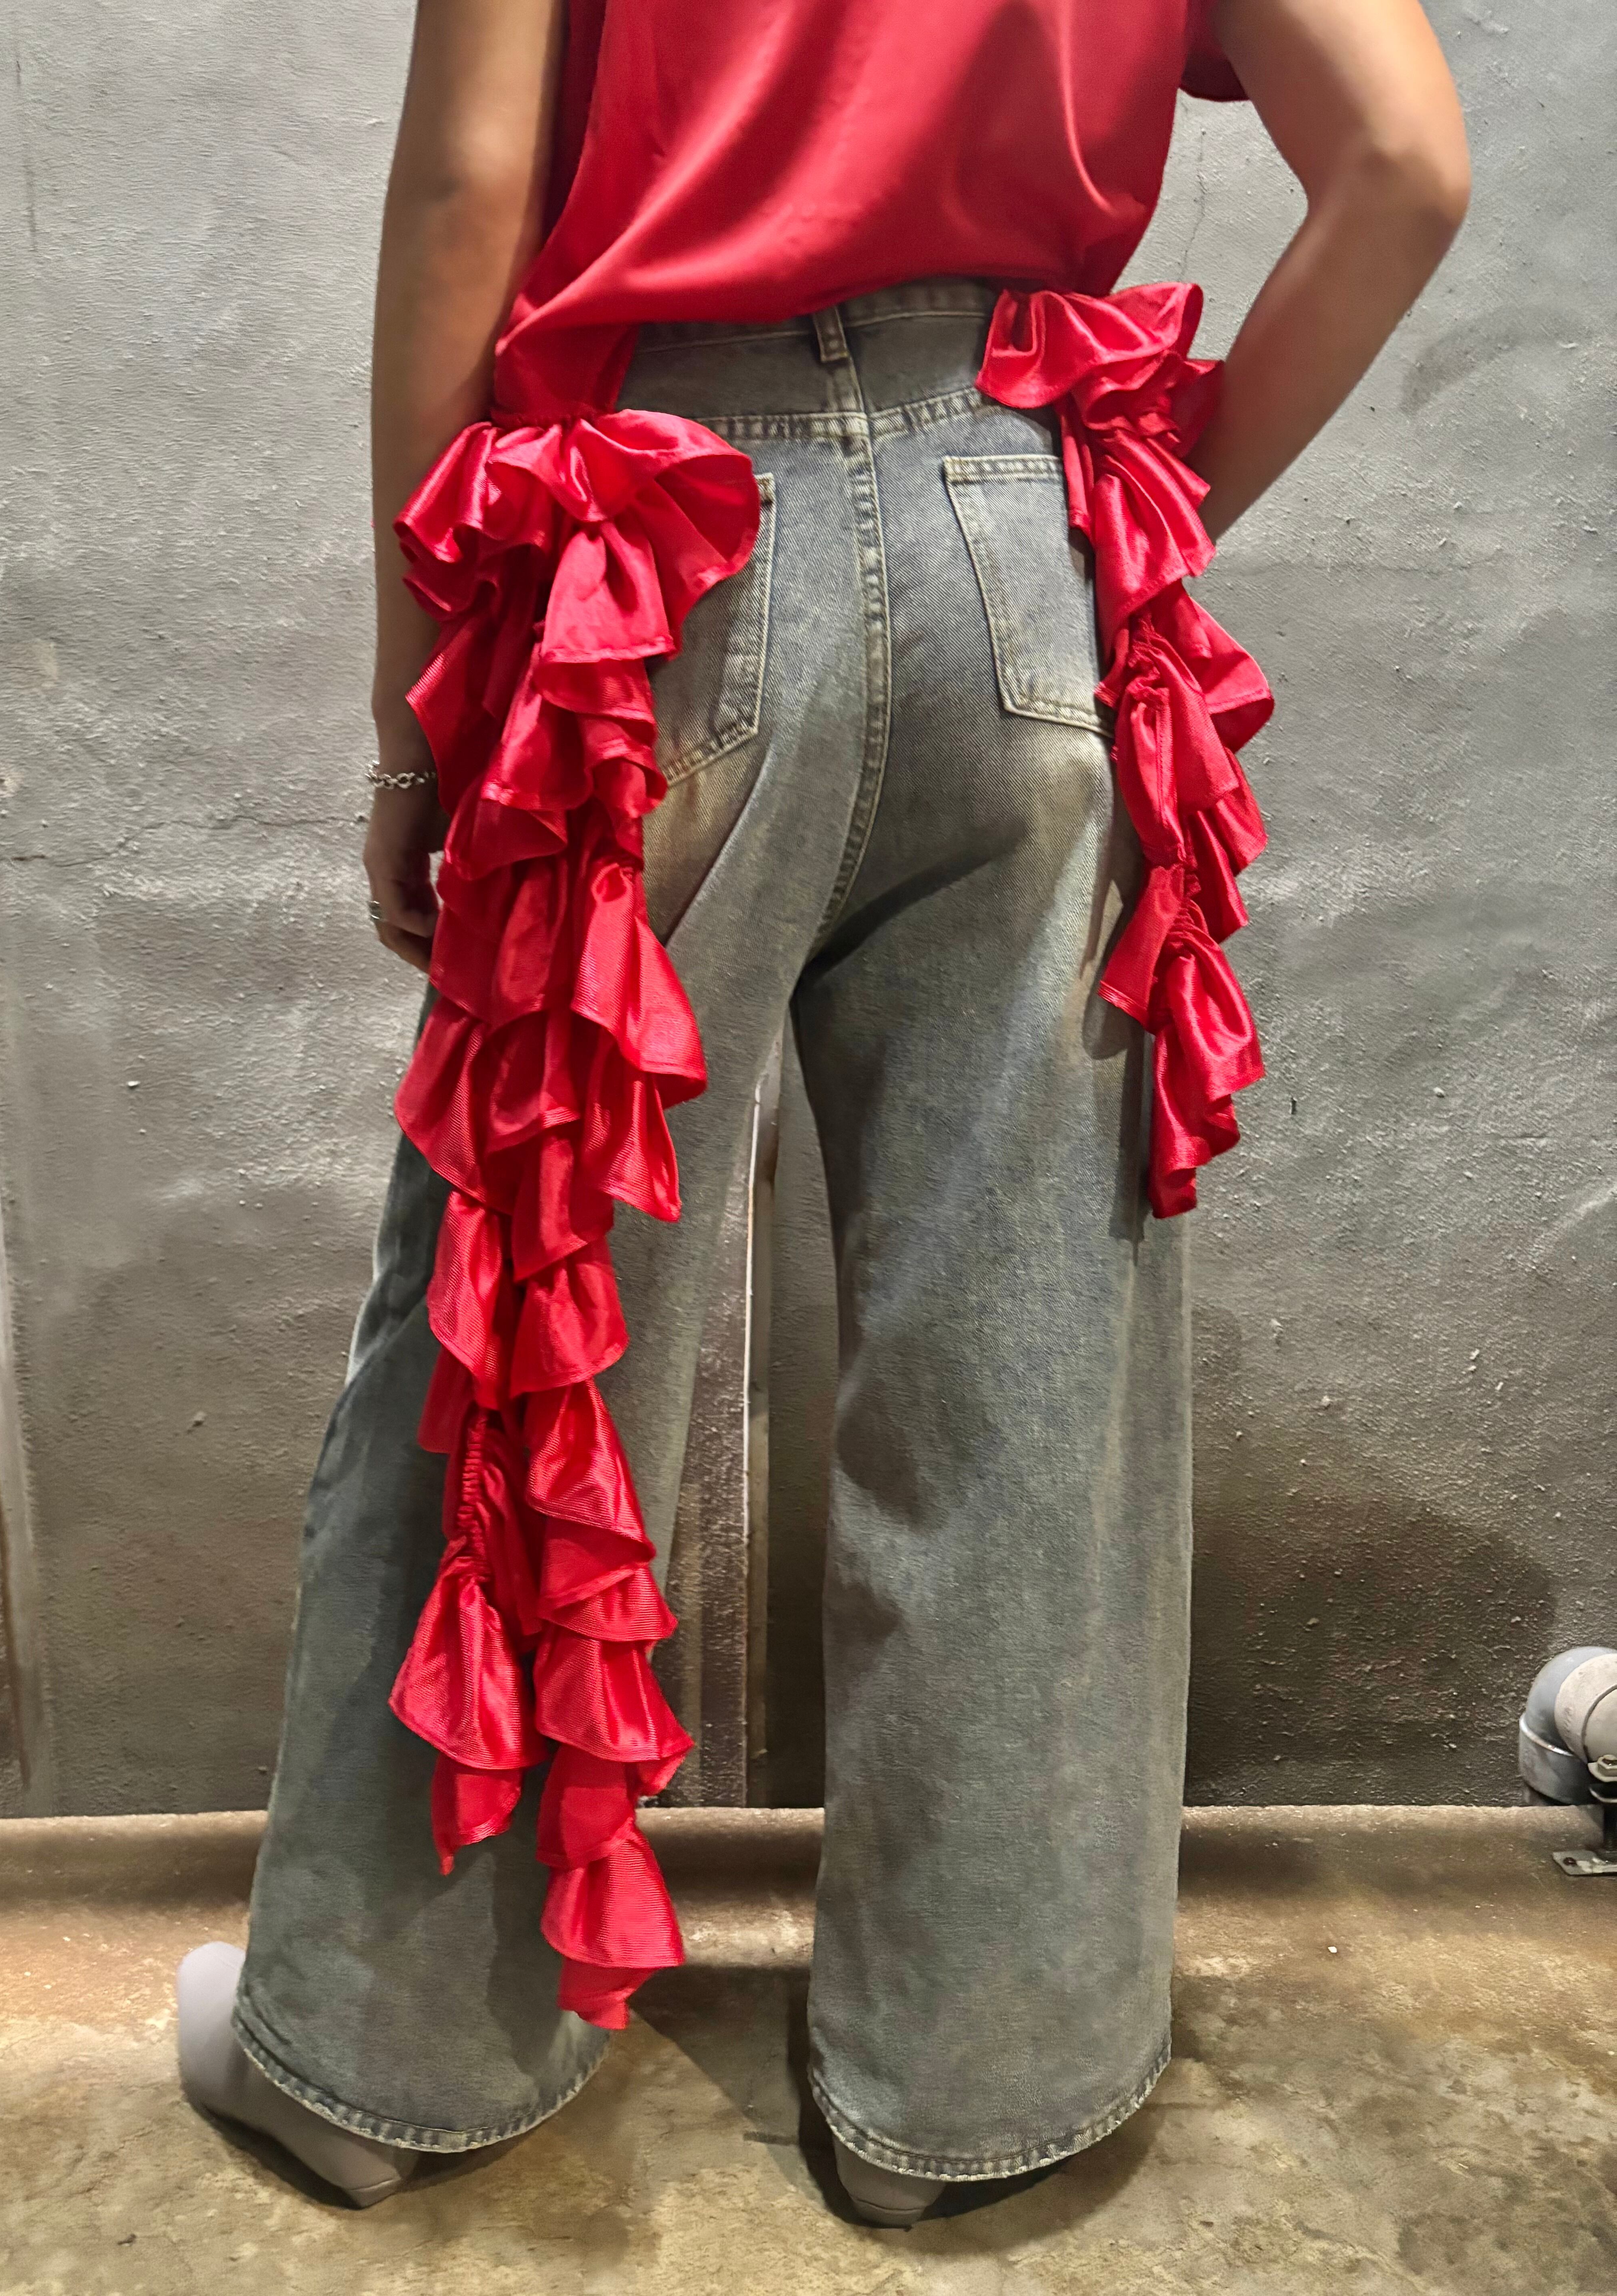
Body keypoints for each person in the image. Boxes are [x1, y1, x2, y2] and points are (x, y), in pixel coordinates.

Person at [177, 0, 1468, 2228]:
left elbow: (470, 189)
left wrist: (419, 710)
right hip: (1025, 536)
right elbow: (1411, 164)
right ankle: (976, 2098)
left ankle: (382, 2065)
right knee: (1028, 1376)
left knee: (525, 1324)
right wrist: (1118, 518)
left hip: (663, 549)